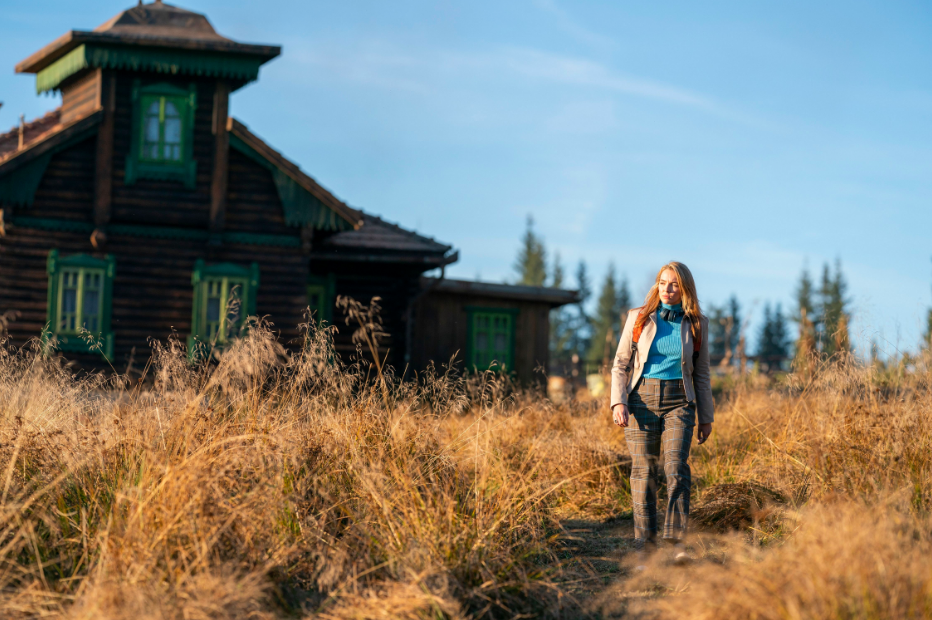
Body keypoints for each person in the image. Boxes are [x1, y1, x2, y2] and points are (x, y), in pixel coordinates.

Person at [610, 261, 713, 559]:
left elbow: (702, 374)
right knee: (643, 471)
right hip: (640, 400)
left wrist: (706, 417)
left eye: (674, 284)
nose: (667, 289)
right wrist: (619, 401)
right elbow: (620, 364)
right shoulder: (638, 318)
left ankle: (675, 544)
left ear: (685, 290)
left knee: (676, 468)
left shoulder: (696, 324)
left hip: (680, 401)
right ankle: (645, 547)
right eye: (662, 283)